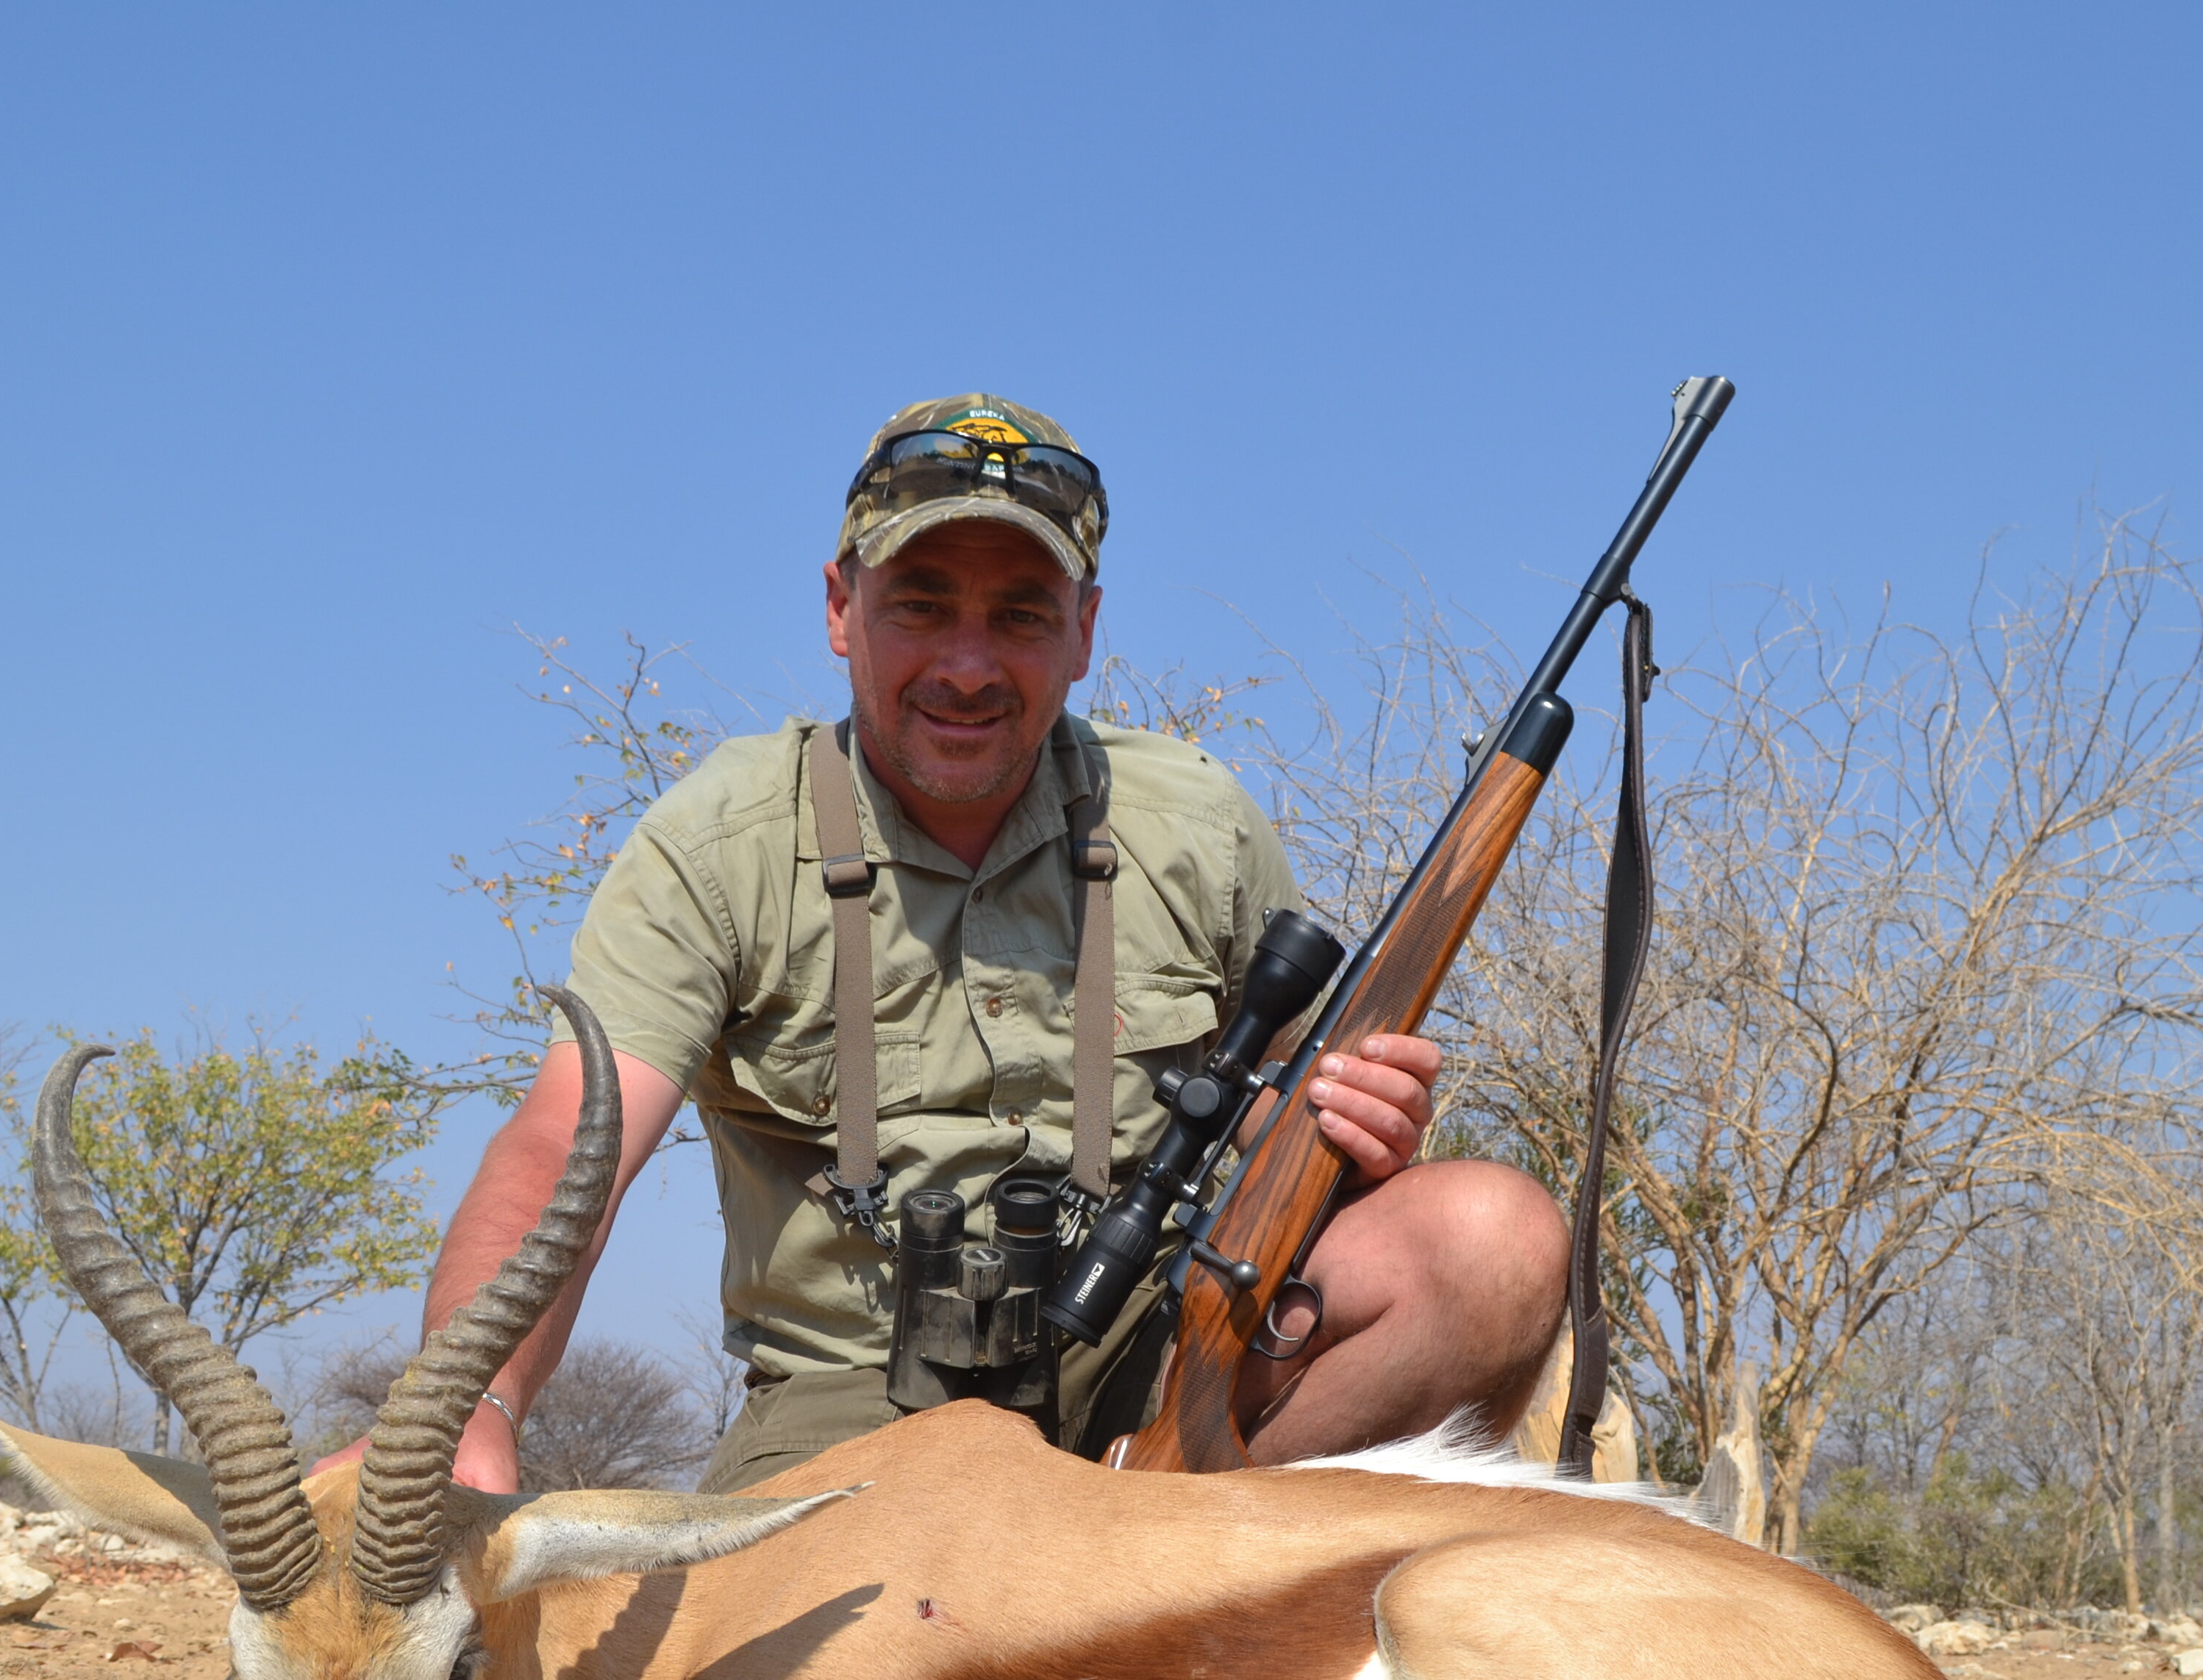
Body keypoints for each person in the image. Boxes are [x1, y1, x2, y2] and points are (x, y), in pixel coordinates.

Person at [408, 393, 1569, 1494]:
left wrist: (1355, 1136)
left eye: (1020, 614)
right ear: (838, 608)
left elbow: (1286, 1122)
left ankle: (1161, 1563)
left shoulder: (1196, 820)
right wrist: (467, 1415)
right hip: (851, 1413)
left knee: (1493, 1245)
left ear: (1084, 633)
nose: (968, 667)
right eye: (920, 603)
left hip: (1151, 1367)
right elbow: (568, 1145)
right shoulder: (718, 843)